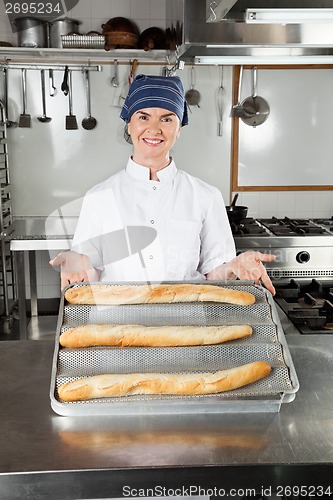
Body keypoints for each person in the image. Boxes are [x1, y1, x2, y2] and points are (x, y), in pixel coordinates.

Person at [50, 74, 275, 294]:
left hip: (186, 324)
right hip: (119, 323)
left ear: (178, 129)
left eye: (167, 119)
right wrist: (75, 262)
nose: (154, 128)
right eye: (144, 117)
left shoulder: (206, 196)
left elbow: (213, 276)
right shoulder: (98, 197)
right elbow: (88, 276)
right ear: (129, 125)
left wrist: (233, 267)